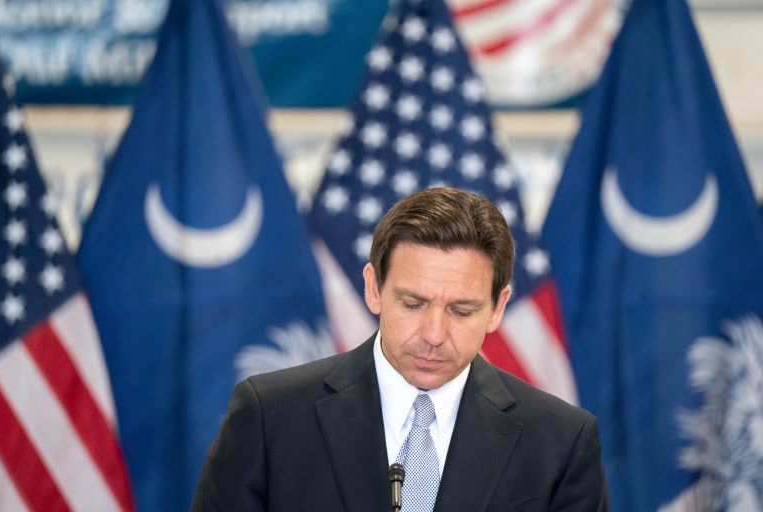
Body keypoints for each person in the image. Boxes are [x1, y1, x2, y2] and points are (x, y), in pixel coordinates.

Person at [191, 187, 609, 511]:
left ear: (498, 308)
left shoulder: (559, 441)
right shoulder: (270, 416)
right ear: (374, 289)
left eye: (461, 310)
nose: (433, 333)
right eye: (413, 304)